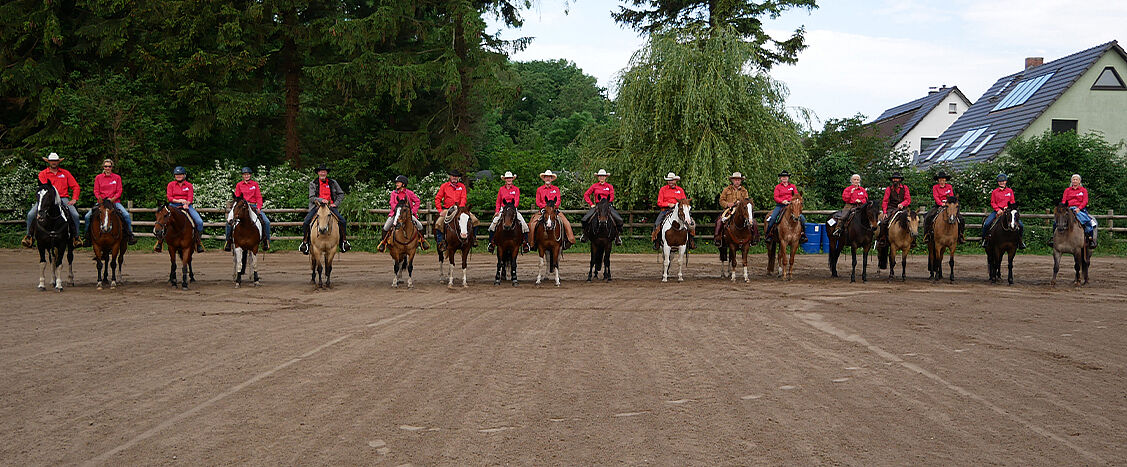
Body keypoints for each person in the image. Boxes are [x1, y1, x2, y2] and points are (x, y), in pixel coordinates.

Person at [23, 152, 83, 248]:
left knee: (75, 215)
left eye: (55, 161)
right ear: (49, 162)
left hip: (63, 198)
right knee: (31, 214)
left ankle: (76, 238)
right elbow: (44, 188)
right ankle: (29, 237)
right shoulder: (43, 174)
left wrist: (74, 198)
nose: (54, 162)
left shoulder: (65, 173)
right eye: (52, 161)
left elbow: (75, 186)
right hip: (47, 199)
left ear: (58, 162)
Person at [83, 159, 136, 246]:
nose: (107, 168)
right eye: (106, 166)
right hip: (102, 202)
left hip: (114, 202)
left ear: (112, 168)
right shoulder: (98, 178)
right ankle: (87, 237)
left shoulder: (117, 177)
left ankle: (130, 235)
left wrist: (113, 198)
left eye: (109, 166)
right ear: (103, 167)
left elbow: (119, 190)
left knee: (126, 215)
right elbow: (96, 190)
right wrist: (99, 198)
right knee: (87, 216)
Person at [299, 165, 350, 254]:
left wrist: (335, 204)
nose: (323, 173)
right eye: (321, 171)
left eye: (324, 171)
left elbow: (341, 194)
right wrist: (320, 200)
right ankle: (305, 243)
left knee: (342, 221)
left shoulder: (333, 182)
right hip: (317, 206)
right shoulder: (313, 183)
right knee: (306, 221)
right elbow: (311, 197)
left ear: (326, 173)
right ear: (318, 173)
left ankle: (343, 242)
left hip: (330, 207)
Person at [224, 167, 271, 252]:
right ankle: (228, 241)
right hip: (241, 207)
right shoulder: (239, 185)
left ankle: (266, 241)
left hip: (253, 206)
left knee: (266, 222)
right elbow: (237, 197)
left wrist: (259, 207)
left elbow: (259, 197)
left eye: (248, 174)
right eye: (245, 174)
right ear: (242, 176)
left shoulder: (254, 185)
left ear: (250, 175)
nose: (246, 176)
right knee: (229, 221)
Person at [377, 175, 429, 252]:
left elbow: (417, 201)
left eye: (398, 182)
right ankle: (383, 242)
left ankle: (421, 241)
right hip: (395, 214)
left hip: (408, 214)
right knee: (386, 226)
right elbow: (391, 202)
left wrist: (413, 211)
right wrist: (397, 209)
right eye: (396, 183)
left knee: (420, 226)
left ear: (403, 184)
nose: (396, 184)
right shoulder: (393, 193)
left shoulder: (409, 193)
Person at [528, 170, 575, 249]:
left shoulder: (556, 189)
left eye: (549, 177)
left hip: (554, 210)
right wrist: (545, 207)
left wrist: (554, 207)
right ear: (544, 178)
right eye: (546, 177)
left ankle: (569, 240)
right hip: (543, 210)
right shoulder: (539, 189)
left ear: (552, 179)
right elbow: (538, 201)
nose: (548, 179)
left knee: (566, 222)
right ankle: (531, 243)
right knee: (532, 224)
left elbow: (558, 200)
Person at [162, 166, 205, 253]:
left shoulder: (189, 185)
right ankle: (160, 242)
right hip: (173, 205)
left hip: (186, 205)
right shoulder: (171, 185)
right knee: (163, 220)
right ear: (174, 176)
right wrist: (179, 201)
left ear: (184, 175)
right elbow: (169, 197)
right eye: (177, 174)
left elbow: (190, 197)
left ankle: (198, 241)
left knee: (199, 221)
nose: (179, 176)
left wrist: (187, 203)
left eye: (180, 174)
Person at [487, 171, 531, 253]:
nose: (509, 180)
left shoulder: (516, 189)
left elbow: (517, 200)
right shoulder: (501, 189)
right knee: (493, 224)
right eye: (507, 178)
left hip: (513, 209)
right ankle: (491, 243)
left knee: (524, 225)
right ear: (505, 179)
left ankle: (526, 243)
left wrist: (512, 207)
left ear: (512, 179)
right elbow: (498, 201)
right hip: (503, 209)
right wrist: (497, 211)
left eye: (510, 178)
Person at [433, 170, 478, 249]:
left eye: (456, 176)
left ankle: (473, 238)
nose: (454, 178)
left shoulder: (462, 186)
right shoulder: (444, 186)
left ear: (458, 178)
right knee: (438, 223)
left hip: (461, 208)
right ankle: (441, 242)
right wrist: (440, 210)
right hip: (448, 209)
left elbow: (464, 197)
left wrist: (461, 208)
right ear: (450, 176)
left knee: (475, 220)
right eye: (453, 176)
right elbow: (438, 198)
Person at [980, 173, 1025, 248]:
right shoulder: (994, 192)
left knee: (1021, 225)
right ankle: (985, 240)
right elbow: (992, 202)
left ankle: (1020, 241)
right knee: (987, 224)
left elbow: (1012, 201)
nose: (1002, 183)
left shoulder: (1010, 191)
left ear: (1006, 182)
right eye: (1000, 181)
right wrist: (998, 209)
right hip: (997, 211)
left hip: (1009, 211)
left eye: (1003, 181)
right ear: (998, 182)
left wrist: (1008, 208)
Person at [651, 172, 695, 250]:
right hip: (666, 210)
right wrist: (668, 204)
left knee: (690, 222)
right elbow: (659, 202)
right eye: (669, 180)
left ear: (675, 181)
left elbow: (684, 201)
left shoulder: (680, 190)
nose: (670, 182)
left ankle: (690, 241)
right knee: (657, 223)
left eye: (672, 180)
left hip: (679, 210)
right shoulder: (663, 189)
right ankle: (657, 241)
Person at [580, 169, 623, 245]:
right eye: (600, 176)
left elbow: (612, 196)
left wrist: (607, 202)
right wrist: (591, 204)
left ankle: (617, 236)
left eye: (603, 176)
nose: (601, 178)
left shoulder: (609, 186)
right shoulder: (594, 186)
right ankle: (585, 234)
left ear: (605, 177)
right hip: (597, 206)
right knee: (585, 219)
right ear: (598, 177)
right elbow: (586, 194)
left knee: (619, 219)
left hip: (607, 206)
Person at [764, 171, 808, 244]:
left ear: (788, 178)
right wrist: (782, 201)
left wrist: (792, 201)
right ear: (780, 178)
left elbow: (796, 196)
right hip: (780, 205)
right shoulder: (778, 187)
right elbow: (776, 197)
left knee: (802, 219)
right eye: (783, 177)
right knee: (773, 218)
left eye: (786, 177)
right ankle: (769, 235)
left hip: (791, 206)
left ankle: (802, 234)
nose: (784, 178)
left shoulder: (792, 186)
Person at [921, 171, 964, 243]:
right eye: (940, 180)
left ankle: (960, 235)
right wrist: (941, 203)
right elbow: (936, 197)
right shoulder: (935, 187)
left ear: (945, 180)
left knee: (961, 219)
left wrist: (948, 203)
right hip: (938, 205)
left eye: (943, 180)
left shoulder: (949, 187)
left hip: (949, 205)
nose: (942, 181)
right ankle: (927, 234)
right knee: (929, 216)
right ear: (938, 180)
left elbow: (952, 197)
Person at [1056, 174, 1097, 248]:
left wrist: (1079, 208)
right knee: (1057, 221)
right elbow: (1064, 200)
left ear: (1079, 181)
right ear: (1071, 181)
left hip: (1079, 209)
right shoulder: (1067, 190)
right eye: (1073, 179)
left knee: (1088, 222)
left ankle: (1090, 239)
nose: (1075, 181)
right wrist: (1062, 207)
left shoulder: (1083, 190)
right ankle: (1054, 239)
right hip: (1068, 209)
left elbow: (1085, 201)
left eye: (1076, 179)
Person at [876, 172, 912, 249]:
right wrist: (885, 212)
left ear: (900, 180)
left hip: (903, 208)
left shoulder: (905, 188)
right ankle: (883, 238)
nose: (895, 180)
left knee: (912, 221)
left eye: (897, 179)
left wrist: (902, 204)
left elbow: (908, 199)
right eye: (894, 179)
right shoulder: (889, 189)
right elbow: (885, 201)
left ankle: (912, 240)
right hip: (891, 208)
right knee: (883, 222)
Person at [714, 172, 749, 248]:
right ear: (732, 180)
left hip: (741, 211)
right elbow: (721, 200)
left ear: (741, 181)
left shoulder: (744, 191)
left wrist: (741, 204)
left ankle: (753, 238)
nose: (737, 181)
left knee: (751, 221)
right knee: (719, 221)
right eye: (736, 180)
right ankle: (718, 238)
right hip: (729, 210)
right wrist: (727, 204)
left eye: (739, 180)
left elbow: (747, 201)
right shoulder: (726, 190)